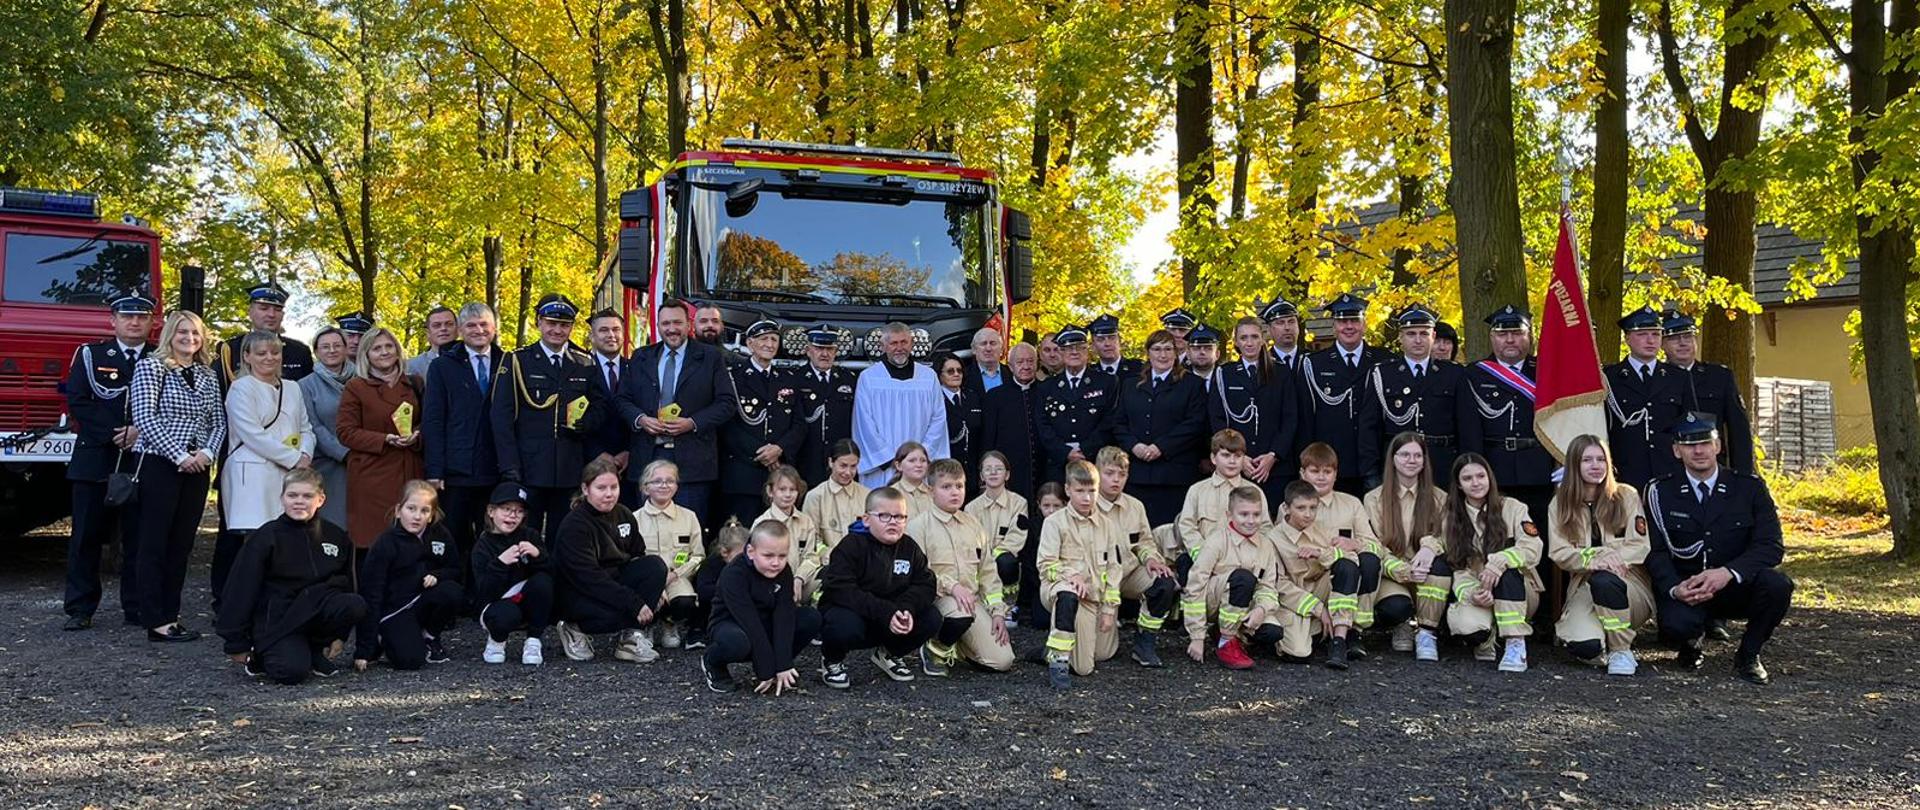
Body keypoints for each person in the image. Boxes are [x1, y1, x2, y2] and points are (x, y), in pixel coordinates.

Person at [1645, 413, 1793, 684]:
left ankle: (1749, 654)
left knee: (1778, 586)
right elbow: (1655, 551)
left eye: (1704, 442)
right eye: (1689, 444)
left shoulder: (1749, 488)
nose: (1698, 450)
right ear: (1677, 451)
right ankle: (1691, 641)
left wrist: (1727, 572)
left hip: (1734, 585)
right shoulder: (1659, 492)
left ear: (1718, 446)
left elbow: (1771, 546)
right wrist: (1675, 588)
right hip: (1687, 588)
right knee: (1675, 627)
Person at [215, 469, 366, 684]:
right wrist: (235, 642)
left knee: (354, 603)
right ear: (282, 498)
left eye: (307, 496)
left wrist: (340, 634)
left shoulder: (336, 536)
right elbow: (241, 589)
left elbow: (348, 584)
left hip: (316, 612)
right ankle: (262, 655)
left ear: (321, 499)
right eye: (292, 495)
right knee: (291, 672)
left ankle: (314, 649)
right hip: (279, 620)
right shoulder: (265, 537)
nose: (299, 502)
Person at [129, 310, 225, 643]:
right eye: (183, 332)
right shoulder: (151, 367)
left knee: (181, 544)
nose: (189, 339)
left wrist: (207, 454)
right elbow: (144, 417)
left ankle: (172, 615)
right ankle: (154, 619)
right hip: (160, 463)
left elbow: (219, 423)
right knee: (154, 542)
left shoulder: (206, 374)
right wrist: (180, 455)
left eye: (196, 333)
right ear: (170, 334)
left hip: (198, 467)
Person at [61, 292, 154, 631]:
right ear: (112, 321)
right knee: (86, 535)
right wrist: (115, 433)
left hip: (143, 459)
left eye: (142, 317)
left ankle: (137, 606)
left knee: (139, 538)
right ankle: (80, 608)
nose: (134, 322)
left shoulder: (162, 357)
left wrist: (138, 431)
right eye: (127, 316)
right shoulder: (91, 354)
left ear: (152, 322)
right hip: (96, 457)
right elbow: (78, 400)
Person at [214, 330, 316, 613]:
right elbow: (252, 434)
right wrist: (294, 458)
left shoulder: (292, 388)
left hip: (289, 474)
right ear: (247, 356)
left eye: (274, 352)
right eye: (261, 353)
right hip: (253, 475)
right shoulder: (241, 388)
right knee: (255, 545)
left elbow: (305, 427)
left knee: (286, 541)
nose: (269, 358)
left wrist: (305, 453)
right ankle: (244, 607)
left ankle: (278, 604)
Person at [492, 294, 607, 543]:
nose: (557, 330)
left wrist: (584, 424)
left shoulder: (585, 363)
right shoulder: (517, 361)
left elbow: (600, 407)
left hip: (569, 468)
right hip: (528, 468)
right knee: (523, 535)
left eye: (564, 325)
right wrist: (509, 466)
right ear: (538, 323)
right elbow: (501, 419)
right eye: (551, 323)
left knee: (564, 536)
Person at [1412, 453, 1541, 672]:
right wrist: (1471, 593)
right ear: (1459, 485)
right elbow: (1451, 559)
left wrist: (1498, 562)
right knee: (1468, 629)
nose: (1476, 483)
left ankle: (1515, 644)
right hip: (1477, 589)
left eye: (1481, 476)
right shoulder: (1451, 515)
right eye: (1467, 478)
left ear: (1490, 478)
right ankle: (1485, 636)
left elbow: (1533, 547)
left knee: (1508, 572)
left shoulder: (1513, 508)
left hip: (1518, 593)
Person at [617, 297, 736, 526]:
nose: (671, 329)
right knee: (646, 532)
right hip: (648, 458)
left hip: (692, 462)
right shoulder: (641, 356)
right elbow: (623, 400)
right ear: (658, 325)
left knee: (688, 531)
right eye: (666, 324)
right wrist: (641, 419)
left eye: (677, 323)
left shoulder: (711, 358)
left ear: (688, 325)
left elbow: (726, 403)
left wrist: (692, 422)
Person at [1186, 483, 1326, 668]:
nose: (1251, 520)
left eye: (1256, 514)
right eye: (1244, 514)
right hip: (1214, 604)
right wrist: (1196, 636)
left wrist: (1261, 610)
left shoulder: (1266, 545)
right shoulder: (1216, 542)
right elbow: (1195, 587)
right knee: (1243, 578)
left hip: (1245, 604)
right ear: (1229, 515)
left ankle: (1235, 636)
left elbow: (1268, 586)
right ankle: (1227, 642)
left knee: (1273, 631)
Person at [1548, 435, 1654, 677]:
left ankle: (1620, 650)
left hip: (1627, 584)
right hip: (1583, 586)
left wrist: (1608, 561)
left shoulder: (1626, 496)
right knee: (1585, 647)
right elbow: (1559, 552)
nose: (1596, 466)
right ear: (1574, 465)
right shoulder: (1560, 504)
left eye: (1601, 459)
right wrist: (1594, 558)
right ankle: (1602, 640)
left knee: (1605, 580)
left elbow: (1640, 544)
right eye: (1587, 460)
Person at [816, 486, 941, 688]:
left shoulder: (910, 547)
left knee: (932, 617)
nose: (893, 521)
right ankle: (832, 660)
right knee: (843, 626)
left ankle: (890, 653)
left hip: (892, 616)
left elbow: (926, 584)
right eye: (884, 516)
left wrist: (906, 609)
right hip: (856, 614)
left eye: (900, 517)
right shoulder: (851, 545)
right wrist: (885, 611)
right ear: (866, 519)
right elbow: (841, 589)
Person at [552, 458, 671, 663]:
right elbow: (588, 578)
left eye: (613, 487)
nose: (609, 494)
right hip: (580, 591)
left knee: (655, 566)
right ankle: (574, 628)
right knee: (615, 614)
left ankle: (630, 638)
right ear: (585, 489)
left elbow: (638, 554)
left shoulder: (624, 513)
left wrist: (656, 589)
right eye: (601, 488)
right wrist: (635, 602)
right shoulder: (575, 525)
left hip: (614, 583)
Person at [907, 459, 1015, 676]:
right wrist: (952, 586)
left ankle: (960, 644)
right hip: (937, 600)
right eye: (946, 487)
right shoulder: (918, 527)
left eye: (959, 486)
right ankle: (936, 647)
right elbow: (919, 574)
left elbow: (988, 573)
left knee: (1003, 661)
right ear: (930, 490)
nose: (955, 492)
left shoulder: (973, 525)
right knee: (959, 613)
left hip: (971, 603)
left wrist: (997, 613)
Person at [1359, 305, 1480, 486]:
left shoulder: (1454, 374)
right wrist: (1371, 471)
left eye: (1424, 333)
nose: (1418, 340)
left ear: (1433, 337)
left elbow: (1468, 425)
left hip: (1442, 465)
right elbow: (1369, 426)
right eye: (1411, 334)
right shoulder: (1383, 374)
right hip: (1396, 467)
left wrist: (1469, 467)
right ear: (1401, 338)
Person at [354, 480, 466, 670]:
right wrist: (364, 649)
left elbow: (455, 569)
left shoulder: (440, 535)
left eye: (424, 511)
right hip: (395, 610)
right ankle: (383, 639)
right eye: (411, 509)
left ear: (431, 516)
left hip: (423, 602)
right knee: (410, 661)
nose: (417, 516)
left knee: (452, 591)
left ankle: (430, 635)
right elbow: (371, 593)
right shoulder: (386, 543)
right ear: (399, 510)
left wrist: (437, 575)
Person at [702, 520, 823, 694]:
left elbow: (784, 615)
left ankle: (782, 670)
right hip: (732, 623)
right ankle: (713, 662)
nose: (776, 563)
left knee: (810, 617)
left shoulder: (784, 571)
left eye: (782, 556)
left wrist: (782, 664)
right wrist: (765, 670)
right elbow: (749, 622)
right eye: (768, 556)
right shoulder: (734, 574)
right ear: (751, 552)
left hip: (766, 621)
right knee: (737, 643)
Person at [425, 302, 506, 558]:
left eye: (484, 324)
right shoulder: (441, 366)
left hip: (496, 468)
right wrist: (435, 470)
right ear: (460, 329)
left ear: (494, 328)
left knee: (492, 537)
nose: (478, 330)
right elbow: (434, 420)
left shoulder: (509, 363)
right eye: (471, 325)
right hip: (456, 470)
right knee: (454, 538)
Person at [1291, 442, 1383, 666]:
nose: (1321, 477)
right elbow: (1287, 551)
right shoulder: (1292, 505)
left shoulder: (1351, 504)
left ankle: (1351, 631)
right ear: (1302, 473)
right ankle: (1330, 631)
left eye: (1327, 471)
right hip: (1311, 582)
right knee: (1297, 649)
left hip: (1346, 582)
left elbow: (1375, 546)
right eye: (1314, 471)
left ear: (1335, 474)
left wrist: (1355, 543)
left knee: (1367, 561)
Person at [1036, 460, 1125, 689]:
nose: (1086, 498)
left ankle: (1046, 650)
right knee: (1083, 668)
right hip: (1063, 591)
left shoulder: (1107, 525)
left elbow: (1114, 569)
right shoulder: (1054, 523)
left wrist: (1109, 609)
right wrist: (1070, 575)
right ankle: (1058, 660)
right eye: (1080, 491)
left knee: (1102, 654)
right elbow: (1045, 565)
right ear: (1067, 490)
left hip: (1094, 598)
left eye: (1092, 491)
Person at [338, 327, 426, 553]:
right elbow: (345, 431)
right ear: (366, 355)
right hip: (372, 476)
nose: (384, 352)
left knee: (411, 541)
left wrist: (417, 435)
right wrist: (384, 439)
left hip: (410, 471)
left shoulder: (415, 383)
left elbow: (430, 422)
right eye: (377, 348)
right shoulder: (356, 387)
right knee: (375, 542)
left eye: (389, 346)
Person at [1109, 328, 1208, 526]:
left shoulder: (1192, 384)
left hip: (1174, 474)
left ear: (1176, 352)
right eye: (1157, 349)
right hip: (1137, 474)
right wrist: (1134, 446)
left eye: (1168, 349)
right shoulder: (1130, 384)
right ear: (1148, 353)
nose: (1162, 355)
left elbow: (1195, 424)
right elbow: (1119, 423)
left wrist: (1160, 447)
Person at [1094, 447, 1180, 668]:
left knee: (1164, 582)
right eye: (1109, 473)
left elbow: (1144, 542)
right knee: (1101, 654)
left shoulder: (1135, 506)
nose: (1116, 480)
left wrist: (1151, 559)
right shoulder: (1087, 505)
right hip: (1098, 580)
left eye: (1121, 475)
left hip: (1129, 573)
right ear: (1096, 472)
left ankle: (1145, 641)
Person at [1300, 293, 1393, 495]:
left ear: (1364, 324)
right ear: (1334, 326)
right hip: (1330, 462)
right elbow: (1307, 418)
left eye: (1354, 320)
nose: (1349, 326)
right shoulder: (1314, 364)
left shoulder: (1385, 360)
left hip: (1374, 460)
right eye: (1342, 321)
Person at [1363, 432, 1445, 654]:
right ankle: (1403, 625)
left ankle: (1428, 631)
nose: (1411, 460)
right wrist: (1402, 570)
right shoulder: (1374, 499)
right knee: (1395, 607)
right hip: (1393, 573)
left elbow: (1448, 535)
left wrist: (1429, 547)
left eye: (1418, 455)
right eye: (1405, 454)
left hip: (1427, 572)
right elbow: (1374, 544)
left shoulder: (1440, 498)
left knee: (1441, 566)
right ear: (1393, 459)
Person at [718, 319, 805, 525]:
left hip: (779, 473)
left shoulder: (788, 378)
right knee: (741, 534)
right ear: (749, 344)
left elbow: (800, 424)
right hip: (743, 473)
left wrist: (779, 448)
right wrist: (763, 453)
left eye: (774, 339)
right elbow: (728, 426)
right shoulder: (733, 377)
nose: (770, 344)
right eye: (763, 339)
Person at [851, 322, 950, 488]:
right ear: (883, 346)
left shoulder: (928, 377)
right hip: (884, 468)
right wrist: (892, 460)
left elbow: (938, 418)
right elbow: (864, 422)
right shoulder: (869, 378)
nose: (899, 347)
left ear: (911, 344)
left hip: (920, 468)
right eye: (893, 343)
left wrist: (918, 457)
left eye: (904, 342)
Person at [1215, 316, 1299, 510]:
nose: (1249, 343)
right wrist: (1238, 456)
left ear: (1263, 339)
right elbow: (1217, 419)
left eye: (1254, 337)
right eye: (1243, 338)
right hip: (1237, 466)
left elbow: (1290, 418)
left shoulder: (1281, 372)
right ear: (1236, 342)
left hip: (1275, 467)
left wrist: (1273, 455)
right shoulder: (1224, 374)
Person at [1605, 305, 1690, 489]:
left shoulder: (1678, 377)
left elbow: (1688, 424)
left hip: (1670, 473)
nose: (1650, 340)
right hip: (1625, 473)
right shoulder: (1609, 378)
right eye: (1642, 334)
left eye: (1655, 334)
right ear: (1627, 338)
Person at [470, 482, 554, 665]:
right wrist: (500, 563)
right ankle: (496, 640)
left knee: (543, 582)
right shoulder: (482, 546)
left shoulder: (530, 535)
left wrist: (538, 555)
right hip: (496, 605)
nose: (512, 515)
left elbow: (551, 572)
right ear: (491, 511)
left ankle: (533, 639)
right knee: (506, 614)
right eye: (506, 509)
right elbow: (484, 592)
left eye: (518, 511)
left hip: (525, 600)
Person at [1661, 311, 1755, 473]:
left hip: (1714, 466)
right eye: (1674, 338)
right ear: (1662, 344)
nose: (1683, 343)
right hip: (1669, 469)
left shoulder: (1719, 377)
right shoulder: (1657, 379)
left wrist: (1743, 474)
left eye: (1688, 337)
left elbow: (1738, 430)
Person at [634, 459, 706, 649]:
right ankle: (646, 625)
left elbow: (698, 555)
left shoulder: (689, 517)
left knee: (686, 601)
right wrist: (656, 583)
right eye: (657, 481)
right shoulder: (634, 519)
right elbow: (631, 557)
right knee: (646, 598)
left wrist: (676, 575)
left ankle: (669, 622)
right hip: (646, 581)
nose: (664, 485)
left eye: (669, 480)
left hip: (677, 576)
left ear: (676, 486)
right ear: (645, 487)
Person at [1175, 430, 1264, 580]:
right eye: (1226, 455)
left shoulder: (1255, 492)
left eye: (1237, 456)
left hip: (1242, 566)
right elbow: (1187, 526)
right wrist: (1204, 556)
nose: (1232, 461)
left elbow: (1265, 528)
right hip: (1202, 564)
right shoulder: (1197, 490)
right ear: (1213, 458)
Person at [1034, 325, 1114, 484]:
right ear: (1061, 353)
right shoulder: (1047, 387)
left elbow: (1109, 421)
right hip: (1058, 464)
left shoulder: (1106, 382)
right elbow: (1043, 425)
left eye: (1079, 348)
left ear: (1088, 351)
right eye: (1068, 348)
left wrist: (1085, 449)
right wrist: (1065, 452)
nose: (1074, 352)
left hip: (1094, 462)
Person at [298, 328, 354, 530]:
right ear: (316, 352)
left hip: (364, 462)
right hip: (328, 464)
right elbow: (313, 426)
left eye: (337, 345)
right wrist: (344, 453)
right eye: (325, 346)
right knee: (332, 525)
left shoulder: (362, 378)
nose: (332, 350)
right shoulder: (305, 385)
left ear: (346, 349)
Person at [801, 440, 868, 602]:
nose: (848, 472)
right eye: (843, 465)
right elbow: (811, 540)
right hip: (827, 567)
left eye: (853, 466)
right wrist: (830, 555)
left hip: (863, 567)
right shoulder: (815, 496)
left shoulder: (867, 495)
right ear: (831, 462)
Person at [965, 451, 1028, 619]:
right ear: (981, 475)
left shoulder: (1019, 503)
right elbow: (970, 537)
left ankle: (1009, 605)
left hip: (1004, 556)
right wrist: (986, 556)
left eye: (998, 469)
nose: (993, 473)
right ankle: (984, 602)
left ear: (1007, 475)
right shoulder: (971, 508)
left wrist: (996, 554)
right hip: (980, 557)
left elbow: (1017, 535)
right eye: (988, 469)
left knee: (1006, 562)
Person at [215, 282, 314, 388]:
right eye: (264, 308)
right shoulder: (230, 349)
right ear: (250, 312)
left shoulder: (299, 351)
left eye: (277, 309)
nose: (271, 314)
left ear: (283, 315)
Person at [794, 325, 858, 487]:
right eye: (819, 348)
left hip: (841, 463)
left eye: (830, 349)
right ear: (808, 350)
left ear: (836, 352)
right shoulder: (795, 379)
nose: (824, 354)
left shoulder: (848, 379)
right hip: (806, 461)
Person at [583, 309, 635, 503]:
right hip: (591, 464)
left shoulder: (637, 369)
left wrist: (629, 452)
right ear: (592, 336)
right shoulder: (580, 368)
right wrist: (598, 453)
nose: (611, 335)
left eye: (616, 329)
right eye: (604, 330)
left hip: (630, 465)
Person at [981, 342, 1042, 502]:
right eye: (1020, 362)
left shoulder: (1046, 391)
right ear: (1010, 366)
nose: (1026, 366)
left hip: (1044, 472)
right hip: (1010, 471)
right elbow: (988, 439)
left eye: (1030, 361)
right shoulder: (995, 397)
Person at [752, 464, 818, 600]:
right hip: (770, 584)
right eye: (782, 489)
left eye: (792, 489)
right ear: (770, 491)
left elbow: (811, 557)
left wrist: (799, 578)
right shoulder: (761, 523)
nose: (788, 494)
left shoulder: (806, 521)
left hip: (801, 583)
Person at [692, 521, 750, 646]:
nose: (745, 559)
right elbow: (703, 591)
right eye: (741, 555)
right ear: (724, 552)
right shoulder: (711, 564)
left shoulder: (749, 564)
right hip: (713, 609)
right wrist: (730, 590)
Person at [933, 352, 984, 486]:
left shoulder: (973, 397)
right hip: (946, 470)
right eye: (950, 371)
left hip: (972, 471)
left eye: (959, 370)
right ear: (940, 375)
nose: (956, 374)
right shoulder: (935, 400)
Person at [885, 442, 935, 517]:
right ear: (898, 465)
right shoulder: (889, 495)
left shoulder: (935, 493)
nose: (919, 465)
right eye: (912, 461)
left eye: (923, 460)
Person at [407, 305, 458, 377]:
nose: (443, 328)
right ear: (428, 333)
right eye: (437, 325)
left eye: (449, 324)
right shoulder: (412, 366)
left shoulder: (472, 360)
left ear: (458, 329)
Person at [1087, 314, 1142, 379]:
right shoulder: (1089, 374)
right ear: (1093, 346)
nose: (1107, 344)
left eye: (1112, 338)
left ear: (1120, 341)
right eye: (1101, 339)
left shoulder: (1139, 368)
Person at [1259, 296, 1305, 373]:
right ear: (1269, 329)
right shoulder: (1262, 364)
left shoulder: (1312, 361)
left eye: (1291, 322)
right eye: (1280, 323)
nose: (1287, 327)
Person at [962, 327, 1008, 393]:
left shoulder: (1012, 374)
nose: (988, 349)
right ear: (974, 349)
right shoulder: (964, 377)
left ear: (1001, 349)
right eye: (983, 343)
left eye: (993, 343)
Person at [1182, 324, 1223, 392]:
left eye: (1208, 348)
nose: (1202, 352)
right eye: (1196, 348)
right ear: (1188, 354)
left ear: (1217, 354)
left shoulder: (1226, 379)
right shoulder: (1179, 380)